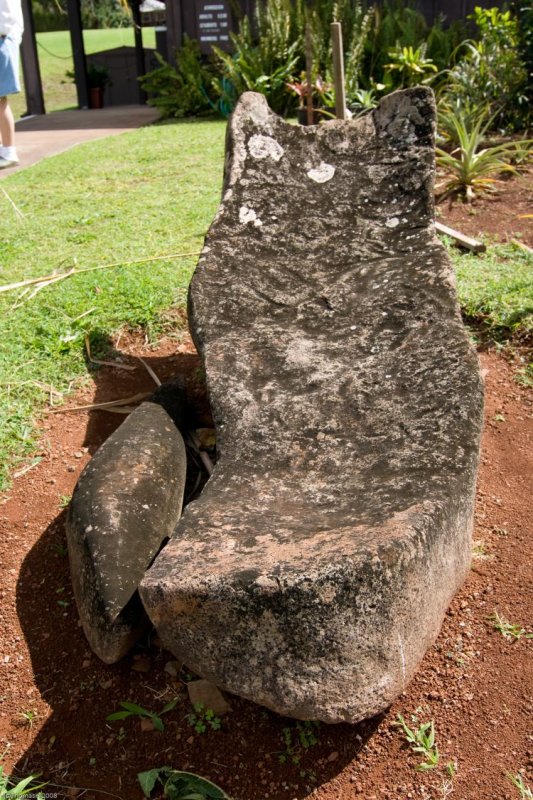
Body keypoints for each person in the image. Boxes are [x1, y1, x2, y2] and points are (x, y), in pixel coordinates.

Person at [0, 0, 23, 169]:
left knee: (0, 99)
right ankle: (6, 150)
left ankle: (8, 151)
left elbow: (6, 20)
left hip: (3, 40)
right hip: (6, 40)